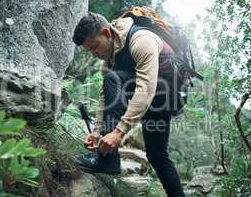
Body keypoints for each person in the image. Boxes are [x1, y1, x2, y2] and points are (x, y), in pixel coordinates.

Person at [72, 12, 185, 197]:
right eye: (89, 51)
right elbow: (105, 95)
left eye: (94, 47)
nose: (94, 54)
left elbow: (145, 89)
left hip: (164, 97)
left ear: (107, 34)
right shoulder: (109, 57)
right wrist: (97, 131)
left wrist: (118, 132)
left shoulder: (142, 40)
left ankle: (108, 160)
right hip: (145, 96)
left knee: (157, 155)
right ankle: (108, 160)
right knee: (157, 156)